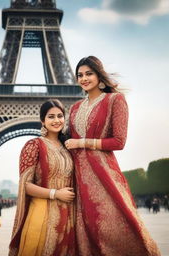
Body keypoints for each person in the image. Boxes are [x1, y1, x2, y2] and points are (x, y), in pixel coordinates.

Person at [65, 56, 161, 256]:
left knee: (112, 226)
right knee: (86, 228)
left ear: (99, 75)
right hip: (79, 177)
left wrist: (82, 143)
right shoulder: (74, 108)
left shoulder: (115, 100)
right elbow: (66, 141)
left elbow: (119, 142)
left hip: (103, 174)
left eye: (89, 73)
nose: (84, 78)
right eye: (80, 75)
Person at [9, 99, 76, 256]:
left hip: (68, 215)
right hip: (42, 213)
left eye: (60, 116)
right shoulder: (33, 145)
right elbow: (25, 185)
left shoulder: (69, 148)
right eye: (51, 116)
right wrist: (55, 193)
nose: (56, 120)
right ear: (42, 120)